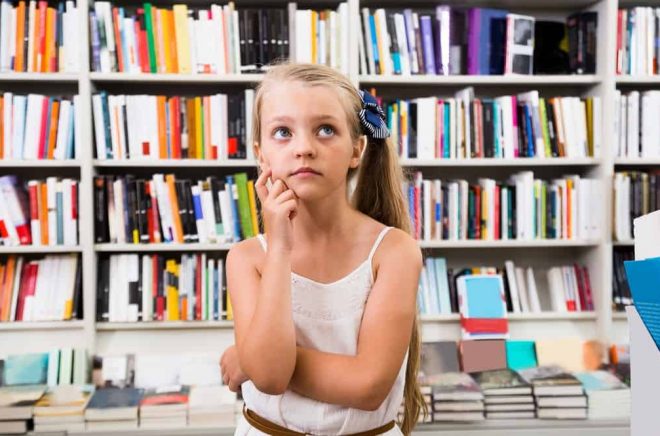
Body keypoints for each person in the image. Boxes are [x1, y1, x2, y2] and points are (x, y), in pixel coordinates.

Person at [219, 62, 425, 435]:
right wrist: (280, 248)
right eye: (282, 132)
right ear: (261, 153)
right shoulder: (248, 258)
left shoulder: (394, 251)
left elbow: (368, 388)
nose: (303, 148)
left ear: (356, 150)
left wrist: (249, 358)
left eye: (326, 130)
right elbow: (267, 376)